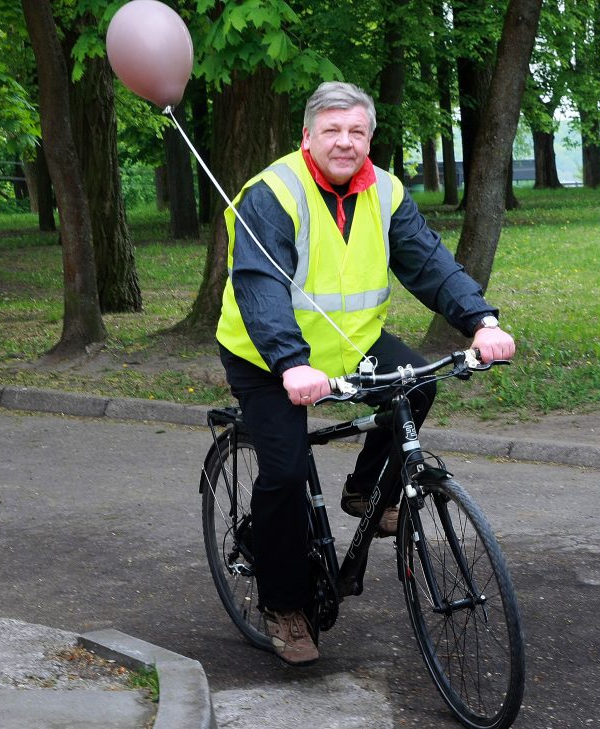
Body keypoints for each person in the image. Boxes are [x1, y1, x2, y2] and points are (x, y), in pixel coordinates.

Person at [216, 81, 515, 666]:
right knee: (284, 473)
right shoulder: (272, 193)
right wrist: (290, 363)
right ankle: (284, 606)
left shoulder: (384, 190)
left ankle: (364, 491)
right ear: (308, 136)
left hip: (353, 346)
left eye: (357, 131)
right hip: (268, 356)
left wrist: (480, 319)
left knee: (419, 379)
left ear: (370, 137)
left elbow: (427, 261)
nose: (345, 142)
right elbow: (259, 286)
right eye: (332, 131)